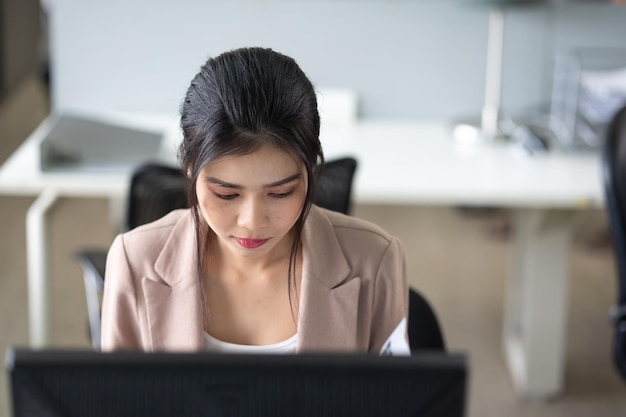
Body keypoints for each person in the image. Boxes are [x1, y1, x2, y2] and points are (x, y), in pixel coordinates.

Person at [101, 47, 409, 355]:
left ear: (310, 171)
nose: (252, 221)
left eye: (280, 193)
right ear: (191, 170)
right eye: (226, 194)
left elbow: (393, 401)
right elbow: (115, 401)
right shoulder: (134, 261)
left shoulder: (375, 259)